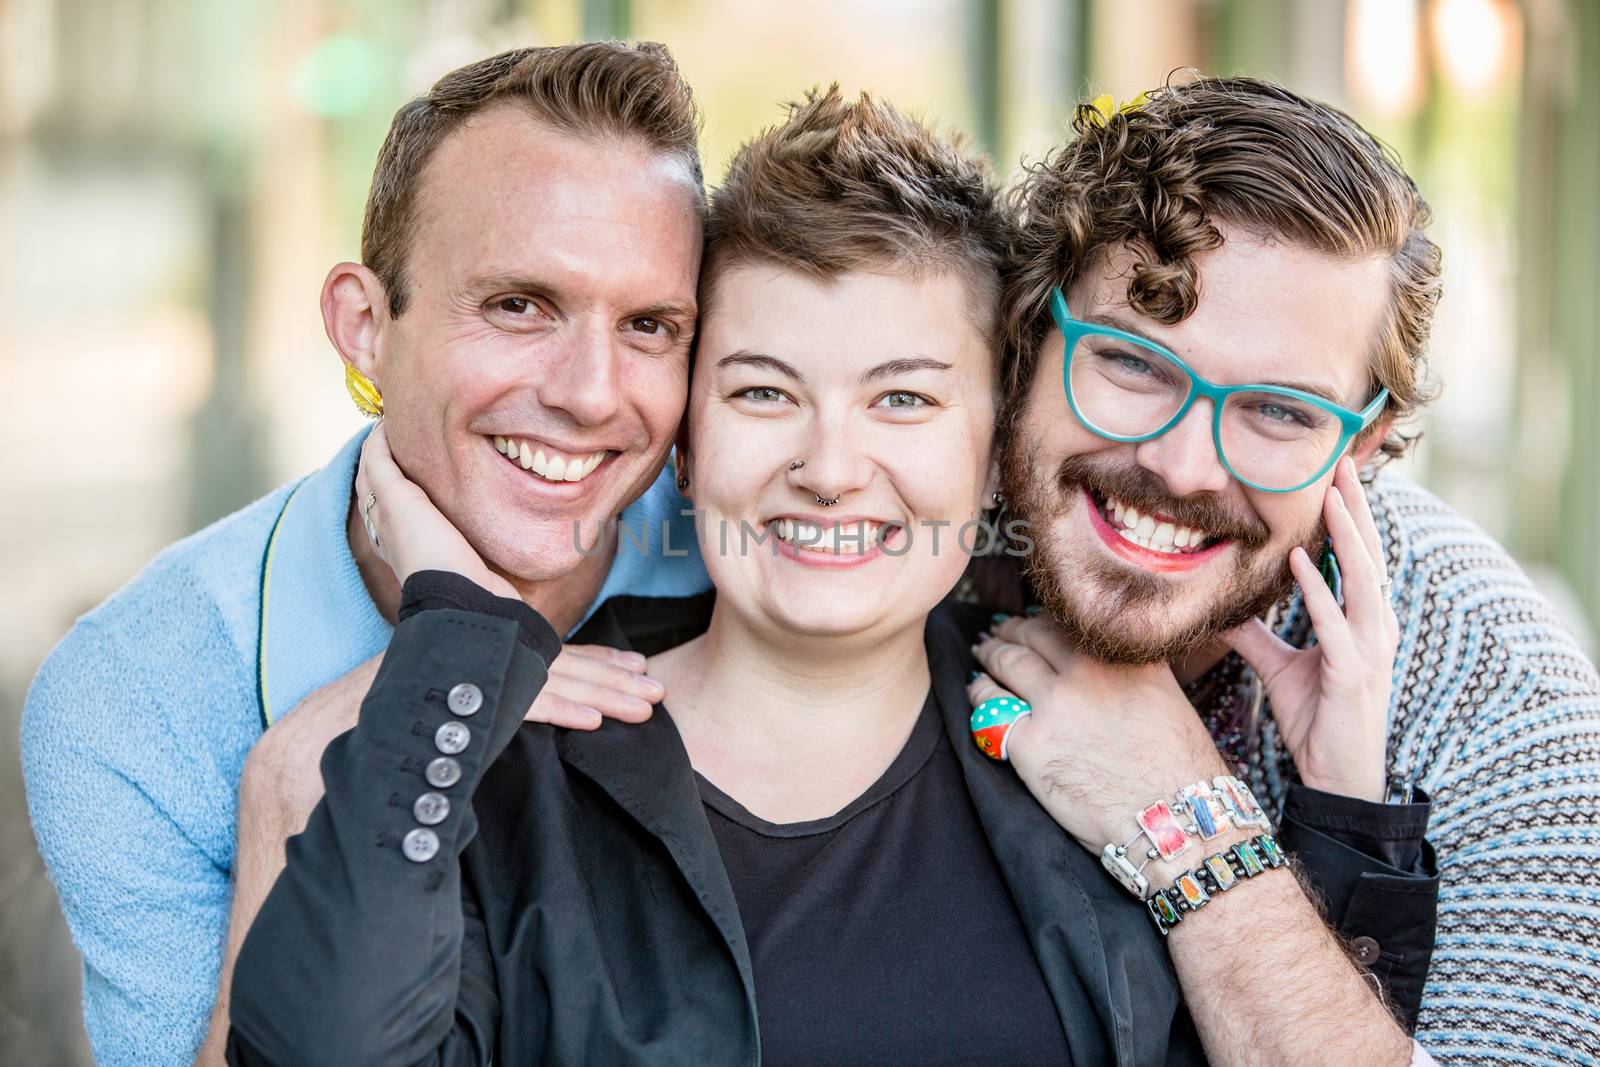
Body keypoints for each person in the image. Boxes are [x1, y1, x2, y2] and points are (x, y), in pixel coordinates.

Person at [225, 86, 1438, 1066]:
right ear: (685, 439)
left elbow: (1269, 1009)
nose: (829, 468)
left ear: (992, 443)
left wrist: (1341, 834)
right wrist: (450, 644)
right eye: (763, 391)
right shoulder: (500, 768)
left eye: (904, 397)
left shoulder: (1107, 775)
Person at [20, 42, 712, 1066]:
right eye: (518, 304)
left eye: (651, 324)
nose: (591, 393)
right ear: (364, 325)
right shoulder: (139, 696)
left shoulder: (745, 568)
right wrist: (281, 817)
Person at [968, 77, 1600, 1062]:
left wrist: (1185, 817)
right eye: (1132, 362)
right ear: (1027, 336)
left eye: (1279, 411)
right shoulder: (898, 540)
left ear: (1361, 447)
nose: (1182, 464)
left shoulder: (1498, 692)